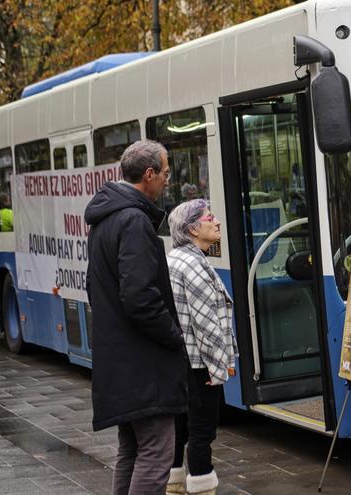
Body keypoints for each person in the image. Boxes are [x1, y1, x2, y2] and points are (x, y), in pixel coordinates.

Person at [84, 140, 189, 495]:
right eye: (165, 173)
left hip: (118, 361)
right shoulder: (134, 221)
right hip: (143, 366)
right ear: (148, 174)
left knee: (132, 449)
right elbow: (140, 297)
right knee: (158, 452)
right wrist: (175, 335)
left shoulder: (105, 219)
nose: (167, 181)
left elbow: (93, 288)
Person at [166, 199, 237, 495]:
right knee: (201, 432)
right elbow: (206, 324)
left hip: (180, 362)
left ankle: (173, 485)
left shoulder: (174, 258)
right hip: (199, 366)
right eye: (210, 218)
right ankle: (202, 487)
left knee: (178, 429)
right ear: (193, 228)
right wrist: (219, 366)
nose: (217, 222)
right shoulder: (194, 265)